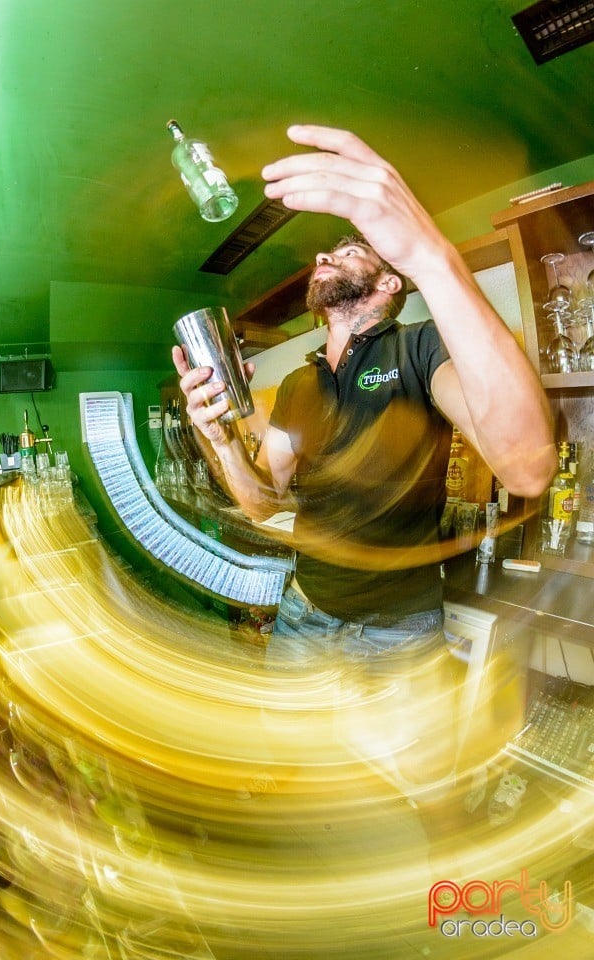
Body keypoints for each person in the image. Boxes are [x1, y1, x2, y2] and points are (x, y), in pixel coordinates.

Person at [172, 125, 556, 808]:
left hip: (397, 629)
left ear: (388, 282)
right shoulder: (300, 382)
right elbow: (262, 501)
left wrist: (433, 255)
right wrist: (220, 440)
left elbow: (527, 469)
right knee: (288, 756)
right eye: (328, 250)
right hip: (305, 611)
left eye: (348, 249)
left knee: (426, 791)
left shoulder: (420, 348)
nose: (323, 253)